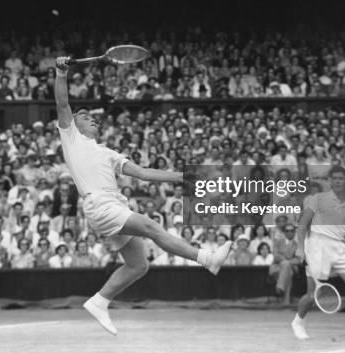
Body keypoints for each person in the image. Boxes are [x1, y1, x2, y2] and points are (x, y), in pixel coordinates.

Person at [54, 56, 231, 335]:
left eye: (92, 116)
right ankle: (206, 258)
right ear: (73, 125)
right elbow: (63, 104)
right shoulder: (70, 138)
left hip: (112, 204)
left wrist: (183, 176)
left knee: (138, 264)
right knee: (151, 227)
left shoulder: (108, 153)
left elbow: (145, 174)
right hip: (99, 205)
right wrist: (61, 73)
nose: (92, 119)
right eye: (85, 116)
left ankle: (99, 301)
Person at [292, 166, 345, 342]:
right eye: (335, 178)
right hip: (317, 245)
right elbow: (302, 224)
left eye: (341, 178)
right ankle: (298, 322)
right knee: (311, 295)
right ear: (330, 180)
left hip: (339, 248)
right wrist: (301, 248)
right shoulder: (317, 199)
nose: (338, 181)